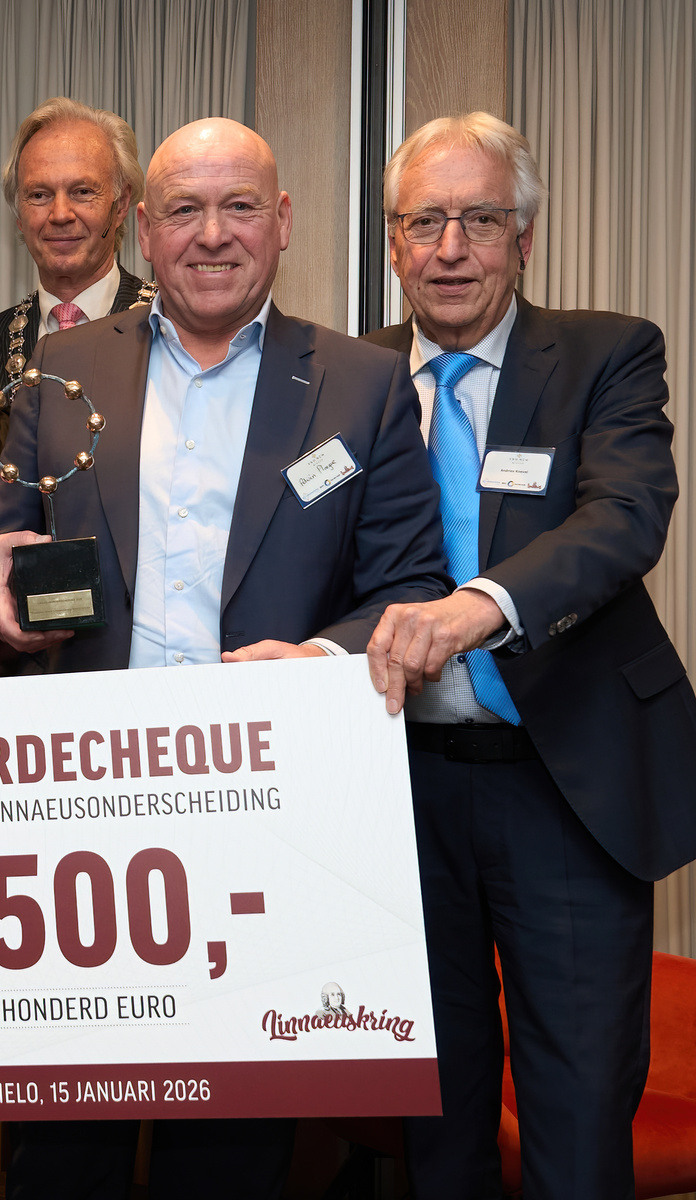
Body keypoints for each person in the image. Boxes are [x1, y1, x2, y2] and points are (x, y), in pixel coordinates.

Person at [0, 118, 453, 1198]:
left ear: (282, 222)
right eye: (183, 210)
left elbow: (411, 588)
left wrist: (319, 657)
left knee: (228, 1160)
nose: (211, 235)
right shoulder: (63, 367)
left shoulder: (361, 385)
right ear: (145, 228)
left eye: (239, 207)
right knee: (58, 1156)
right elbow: (1, 549)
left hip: (264, 820)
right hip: (80, 829)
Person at [362, 112, 696, 1200]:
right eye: (426, 222)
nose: (451, 248)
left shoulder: (606, 352)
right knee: (431, 1105)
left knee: (576, 1110)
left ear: (525, 238)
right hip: (397, 791)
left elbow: (624, 517)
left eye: (481, 219)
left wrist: (479, 607)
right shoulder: (346, 377)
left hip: (562, 780)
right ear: (394, 242)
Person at [0, 98, 153, 414]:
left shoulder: (171, 327)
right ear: (19, 215)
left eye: (82, 192)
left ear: (120, 204)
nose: (60, 214)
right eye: (39, 195)